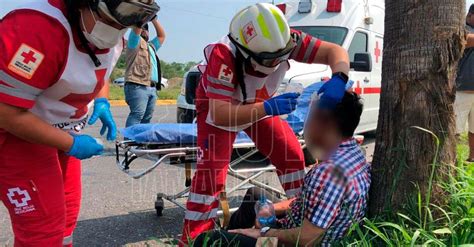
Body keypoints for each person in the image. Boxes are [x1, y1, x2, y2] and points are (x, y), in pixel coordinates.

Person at [181, 3, 351, 244]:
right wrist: (267, 108)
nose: (278, 62)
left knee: (290, 153)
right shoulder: (223, 55)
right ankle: (194, 239)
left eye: (282, 56)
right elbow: (220, 115)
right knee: (210, 177)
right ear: (246, 50)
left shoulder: (285, 40)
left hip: (257, 103)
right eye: (271, 59)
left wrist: (340, 77)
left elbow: (334, 51)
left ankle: (300, 218)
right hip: (220, 109)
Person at [0, 0, 159, 246]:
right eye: (111, 19)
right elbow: (5, 111)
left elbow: (100, 67)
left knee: (66, 218)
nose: (117, 29)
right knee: (42, 230)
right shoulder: (36, 29)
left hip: (62, 129)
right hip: (16, 133)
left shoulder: (111, 32)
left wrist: (102, 101)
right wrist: (70, 143)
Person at [193, 92, 371, 246]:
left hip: (289, 243)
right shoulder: (353, 153)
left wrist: (263, 234)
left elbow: (307, 238)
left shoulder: (328, 173)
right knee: (255, 196)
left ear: (323, 124)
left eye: (310, 116)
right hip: (297, 225)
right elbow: (308, 202)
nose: (305, 124)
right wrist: (272, 208)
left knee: (207, 240)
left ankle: (230, 237)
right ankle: (234, 234)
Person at [124, 18, 166, 127]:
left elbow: (162, 36)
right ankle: (130, 143)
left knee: (146, 119)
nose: (144, 31)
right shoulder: (134, 43)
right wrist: (142, 18)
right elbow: (136, 31)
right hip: (138, 85)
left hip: (151, 87)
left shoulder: (151, 46)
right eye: (142, 28)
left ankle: (140, 143)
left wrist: (154, 20)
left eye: (146, 29)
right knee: (137, 115)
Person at [455, 4, 474, 161]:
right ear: (470, 15)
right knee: (454, 130)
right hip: (462, 90)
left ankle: (472, 159)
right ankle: (450, 162)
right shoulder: (461, 27)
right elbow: (464, 41)